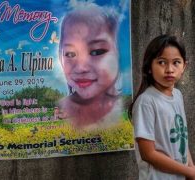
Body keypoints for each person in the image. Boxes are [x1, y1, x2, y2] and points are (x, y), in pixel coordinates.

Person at [128, 35, 195, 179]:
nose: (170, 69)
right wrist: (188, 171)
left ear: (184, 66)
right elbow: (148, 154)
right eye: (162, 62)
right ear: (149, 67)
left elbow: (181, 138)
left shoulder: (177, 95)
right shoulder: (146, 102)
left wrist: (191, 167)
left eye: (176, 62)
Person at [58, 4, 122, 130]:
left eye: (96, 52)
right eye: (70, 54)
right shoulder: (61, 109)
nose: (81, 68)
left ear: (119, 53)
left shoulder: (126, 107)